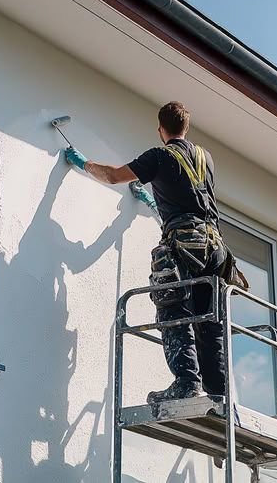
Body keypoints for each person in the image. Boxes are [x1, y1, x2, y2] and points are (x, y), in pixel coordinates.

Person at [65, 101, 227, 403]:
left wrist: (84, 164)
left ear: (160, 129)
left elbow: (113, 176)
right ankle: (218, 391)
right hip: (214, 248)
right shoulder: (206, 159)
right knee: (209, 319)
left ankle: (186, 382)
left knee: (173, 309)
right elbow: (192, 202)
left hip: (183, 246)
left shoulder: (159, 156)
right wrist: (154, 204)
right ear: (186, 127)